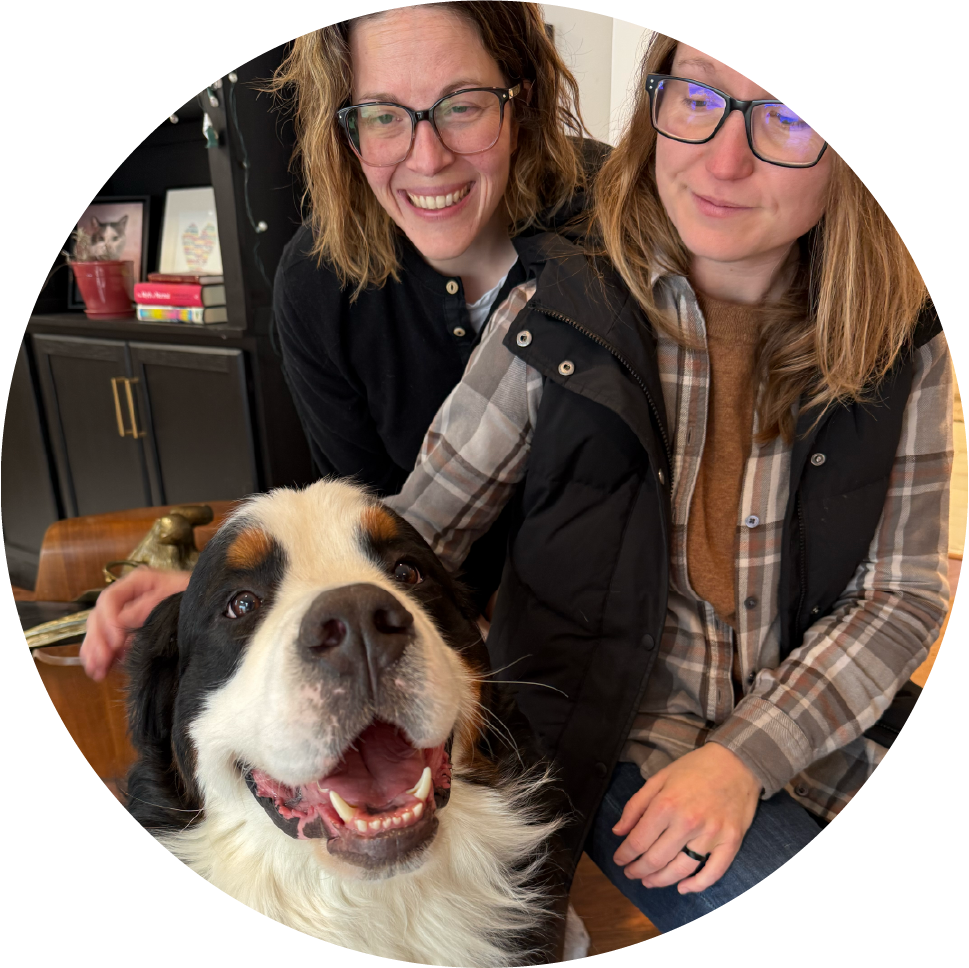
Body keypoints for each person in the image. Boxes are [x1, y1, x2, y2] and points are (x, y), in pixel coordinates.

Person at [387, 31, 954, 933]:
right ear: (656, 103)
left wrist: (744, 759)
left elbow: (898, 598)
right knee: (829, 924)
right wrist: (240, 590)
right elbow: (417, 535)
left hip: (812, 732)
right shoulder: (558, 307)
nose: (722, 160)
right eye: (697, 98)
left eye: (790, 114)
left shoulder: (902, 342)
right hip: (610, 738)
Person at [80, 2, 602, 682]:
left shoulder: (614, 230)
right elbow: (372, 524)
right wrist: (237, 597)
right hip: (439, 646)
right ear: (347, 132)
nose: (427, 158)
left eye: (462, 105)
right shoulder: (315, 284)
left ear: (519, 99)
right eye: (383, 115)